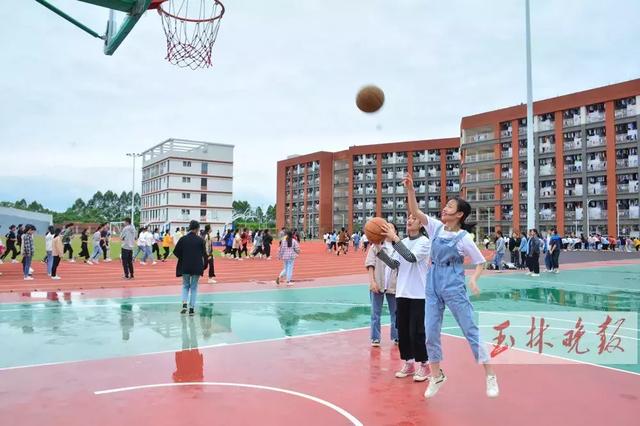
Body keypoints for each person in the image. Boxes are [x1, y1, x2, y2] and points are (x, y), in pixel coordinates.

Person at [404, 175, 498, 399]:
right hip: (433, 281)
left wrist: (473, 279)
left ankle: (490, 375)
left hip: (453, 284)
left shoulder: (464, 238)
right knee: (430, 332)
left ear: (459, 215)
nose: (444, 209)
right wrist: (411, 190)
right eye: (445, 205)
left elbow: (481, 262)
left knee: (470, 329)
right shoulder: (436, 227)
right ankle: (436, 376)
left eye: (450, 207)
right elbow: (415, 211)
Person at [375, 216, 430, 381]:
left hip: (418, 294)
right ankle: (409, 362)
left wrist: (394, 239)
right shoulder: (403, 241)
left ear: (421, 224)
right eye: (408, 217)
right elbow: (394, 264)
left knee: (416, 331)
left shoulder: (424, 242)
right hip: (402, 292)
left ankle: (425, 365)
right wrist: (378, 249)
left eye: (414, 218)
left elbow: (410, 257)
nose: (409, 220)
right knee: (403, 331)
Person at [365, 225, 399, 347]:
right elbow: (370, 264)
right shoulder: (376, 246)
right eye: (386, 227)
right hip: (378, 283)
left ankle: (397, 336)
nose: (388, 229)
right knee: (375, 313)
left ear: (395, 231)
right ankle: (375, 338)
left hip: (394, 285)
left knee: (395, 313)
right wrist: (372, 282)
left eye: (391, 228)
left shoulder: (399, 248)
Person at [173, 220, 207, 316]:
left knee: (185, 285)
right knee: (194, 287)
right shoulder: (201, 240)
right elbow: (204, 254)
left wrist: (183, 257)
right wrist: (204, 265)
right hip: (197, 266)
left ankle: (184, 304)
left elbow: (176, 252)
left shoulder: (183, 239)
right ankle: (191, 308)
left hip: (185, 265)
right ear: (197, 229)